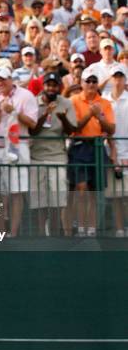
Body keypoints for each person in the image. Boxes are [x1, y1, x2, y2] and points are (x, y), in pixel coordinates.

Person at [0, 66, 37, 237]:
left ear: (10, 80)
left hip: (18, 146)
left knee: (17, 191)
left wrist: (14, 111)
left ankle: (13, 232)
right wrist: (0, 111)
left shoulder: (26, 95)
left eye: (2, 80)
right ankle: (0, 231)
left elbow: (33, 123)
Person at [28, 72, 77, 236]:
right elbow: (32, 130)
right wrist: (45, 114)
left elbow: (71, 131)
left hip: (58, 156)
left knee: (57, 201)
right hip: (36, 156)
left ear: (59, 87)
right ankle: (42, 235)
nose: (51, 88)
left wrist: (63, 118)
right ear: (43, 86)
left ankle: (55, 234)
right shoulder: (33, 102)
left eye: (54, 85)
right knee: (39, 201)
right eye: (48, 85)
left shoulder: (66, 103)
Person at [69, 66, 115, 237]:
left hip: (97, 146)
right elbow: (73, 127)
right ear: (82, 83)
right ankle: (81, 227)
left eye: (94, 81)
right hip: (79, 146)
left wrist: (99, 116)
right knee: (81, 188)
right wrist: (89, 114)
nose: (91, 84)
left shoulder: (105, 103)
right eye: (88, 81)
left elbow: (111, 129)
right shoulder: (74, 100)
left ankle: (92, 229)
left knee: (95, 191)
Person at [103, 65, 128, 237]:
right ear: (110, 79)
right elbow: (104, 130)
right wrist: (113, 154)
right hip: (110, 154)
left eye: (121, 77)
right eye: (115, 77)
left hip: (127, 155)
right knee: (116, 197)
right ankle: (119, 229)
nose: (118, 80)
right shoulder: (104, 101)